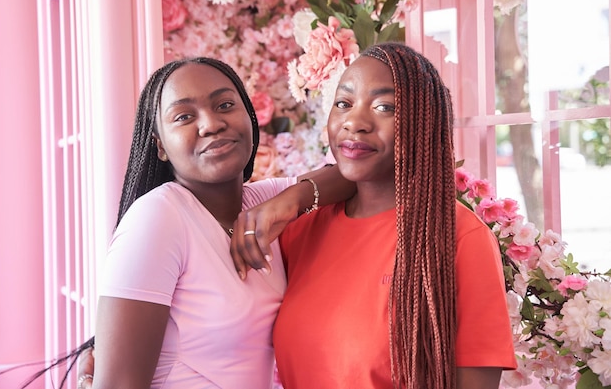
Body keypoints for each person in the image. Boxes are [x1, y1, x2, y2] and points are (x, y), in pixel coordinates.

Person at [49, 56, 354, 389]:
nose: (211, 124)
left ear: (249, 117)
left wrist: (291, 200)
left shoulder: (258, 202)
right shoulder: (158, 218)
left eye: (225, 105)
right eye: (183, 116)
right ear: (160, 145)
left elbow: (354, 175)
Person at [232, 42, 517, 389]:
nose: (355, 122)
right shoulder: (300, 231)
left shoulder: (459, 237)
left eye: (384, 107)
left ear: (423, 124)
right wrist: (297, 196)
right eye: (343, 104)